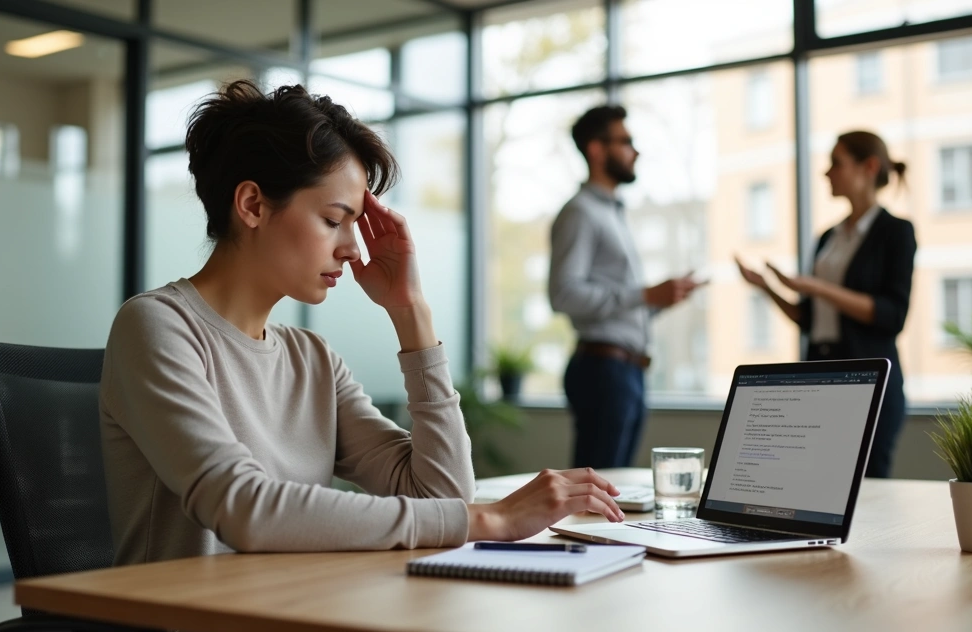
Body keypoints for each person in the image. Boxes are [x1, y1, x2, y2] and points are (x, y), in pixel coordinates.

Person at [100, 81, 626, 569]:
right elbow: (244, 508)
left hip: (294, 615)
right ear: (253, 204)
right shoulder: (157, 327)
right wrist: (490, 520)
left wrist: (410, 310)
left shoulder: (312, 359)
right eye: (333, 220)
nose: (353, 250)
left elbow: (441, 498)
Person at [735, 130, 916, 478]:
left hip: (868, 380)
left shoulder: (896, 232)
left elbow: (892, 315)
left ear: (869, 167)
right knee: (815, 481)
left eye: (836, 163)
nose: (826, 173)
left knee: (870, 491)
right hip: (819, 373)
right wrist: (767, 288)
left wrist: (818, 287)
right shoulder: (827, 238)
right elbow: (807, 318)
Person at [549, 105, 703, 470]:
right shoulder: (581, 212)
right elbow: (563, 295)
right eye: (626, 142)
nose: (636, 151)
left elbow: (619, 300)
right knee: (597, 490)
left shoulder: (612, 213)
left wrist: (661, 299)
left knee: (610, 489)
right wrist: (645, 294)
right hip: (604, 369)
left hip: (625, 371)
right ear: (597, 150)